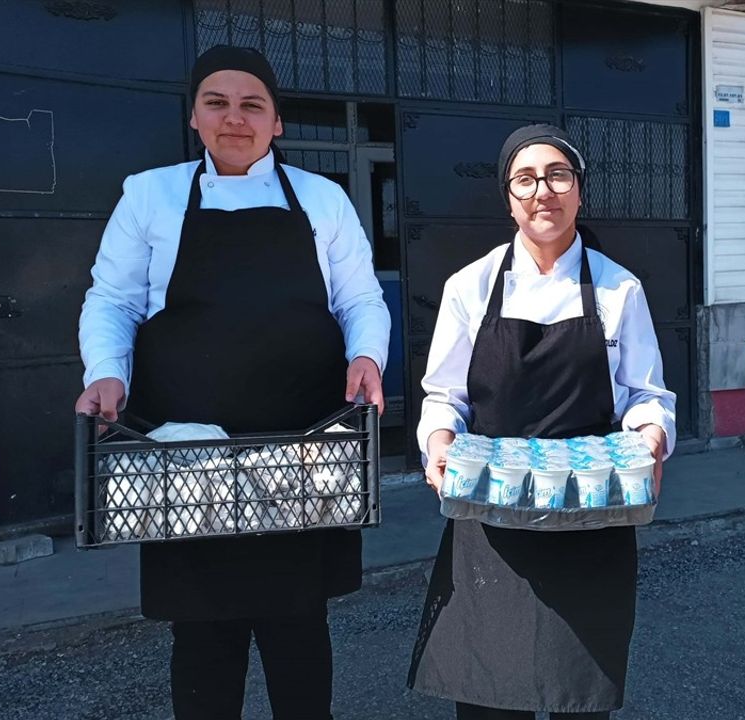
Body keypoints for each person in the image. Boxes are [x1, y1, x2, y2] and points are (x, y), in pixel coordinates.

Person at [75, 45, 390, 719]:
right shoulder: (150, 194)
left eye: (253, 105)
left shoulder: (322, 199)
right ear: (195, 115)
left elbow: (361, 300)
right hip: (191, 454)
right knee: (202, 633)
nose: (235, 118)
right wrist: (106, 374)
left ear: (276, 122)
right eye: (217, 102)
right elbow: (112, 299)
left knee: (299, 626)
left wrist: (367, 358)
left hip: (303, 447)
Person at [407, 124, 676, 720]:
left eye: (557, 176)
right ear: (508, 197)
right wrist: (440, 442)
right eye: (524, 179)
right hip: (490, 521)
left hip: (592, 517)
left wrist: (652, 437)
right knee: (488, 706)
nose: (542, 192)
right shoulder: (469, 287)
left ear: (579, 191)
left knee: (579, 704)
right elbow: (444, 396)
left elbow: (646, 395)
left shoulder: (618, 289)